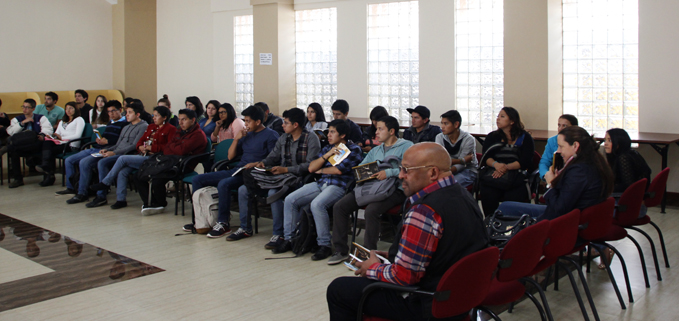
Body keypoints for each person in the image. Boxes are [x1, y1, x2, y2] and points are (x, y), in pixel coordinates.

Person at [326, 143, 489, 321]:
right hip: (461, 297)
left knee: (338, 289)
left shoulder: (425, 210)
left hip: (428, 303)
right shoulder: (464, 195)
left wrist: (372, 268)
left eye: (406, 170)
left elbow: (405, 277)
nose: (401, 175)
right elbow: (449, 247)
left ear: (432, 173)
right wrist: (395, 254)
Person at [273, 119, 364, 261]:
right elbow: (311, 168)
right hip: (321, 183)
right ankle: (290, 239)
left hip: (338, 186)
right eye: (329, 131)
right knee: (291, 199)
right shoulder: (328, 148)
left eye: (333, 132)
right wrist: (326, 156)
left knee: (317, 204)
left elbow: (338, 170)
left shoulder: (353, 149)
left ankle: (324, 245)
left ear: (343, 135)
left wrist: (321, 170)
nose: (329, 135)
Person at [230, 107, 321, 247]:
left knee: (274, 193)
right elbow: (273, 156)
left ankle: (278, 234)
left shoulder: (311, 138)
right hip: (279, 177)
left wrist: (286, 169)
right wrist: (261, 163)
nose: (282, 125)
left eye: (286, 123)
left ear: (295, 125)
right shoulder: (284, 137)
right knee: (243, 189)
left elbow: (310, 166)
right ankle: (245, 228)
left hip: (298, 179)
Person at [329, 116, 413, 265]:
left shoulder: (406, 146)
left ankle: (368, 255)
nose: (376, 132)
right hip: (372, 187)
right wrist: (369, 172)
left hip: (395, 189)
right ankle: (341, 250)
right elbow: (359, 170)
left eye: (380, 129)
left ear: (392, 131)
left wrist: (389, 172)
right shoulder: (376, 150)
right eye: (376, 129)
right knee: (340, 207)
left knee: (371, 211)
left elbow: (410, 169)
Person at [190, 105, 279, 238]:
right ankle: (201, 221)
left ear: (258, 122)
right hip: (238, 169)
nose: (246, 124)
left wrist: (256, 164)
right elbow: (230, 157)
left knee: (224, 184)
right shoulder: (246, 134)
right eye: (245, 121)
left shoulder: (271, 135)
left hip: (253, 173)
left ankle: (223, 222)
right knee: (197, 179)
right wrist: (236, 139)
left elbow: (274, 159)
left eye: (248, 121)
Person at [497, 126, 614, 221]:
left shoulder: (579, 171)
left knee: (505, 208)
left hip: (565, 224)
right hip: (574, 217)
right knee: (506, 206)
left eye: (561, 146)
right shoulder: (593, 162)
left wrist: (551, 183)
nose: (558, 151)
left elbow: (558, 209)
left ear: (575, 146)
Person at [89, 106, 177, 209]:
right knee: (123, 171)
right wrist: (140, 147)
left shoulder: (171, 129)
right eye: (153, 115)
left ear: (164, 117)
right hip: (142, 155)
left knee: (122, 159)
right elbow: (140, 141)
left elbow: (169, 148)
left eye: (157, 116)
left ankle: (106, 182)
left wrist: (152, 147)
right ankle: (121, 200)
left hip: (155, 159)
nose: (154, 118)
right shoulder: (151, 127)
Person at [67, 103, 148, 208]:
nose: (126, 115)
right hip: (115, 151)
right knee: (85, 162)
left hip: (125, 154)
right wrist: (107, 150)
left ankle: (101, 195)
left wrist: (114, 153)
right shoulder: (127, 126)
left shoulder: (143, 126)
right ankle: (81, 193)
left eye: (129, 112)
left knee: (102, 162)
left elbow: (134, 146)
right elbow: (118, 144)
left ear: (137, 114)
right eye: (126, 112)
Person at [135, 109, 207, 215]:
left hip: (183, 165)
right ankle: (150, 202)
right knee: (139, 174)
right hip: (170, 160)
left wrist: (173, 147)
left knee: (156, 177)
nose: (181, 123)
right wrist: (175, 147)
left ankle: (160, 203)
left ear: (193, 120)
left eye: (184, 120)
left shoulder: (198, 135)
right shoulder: (179, 131)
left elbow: (181, 151)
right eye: (179, 119)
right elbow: (167, 148)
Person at [55, 100, 128, 196]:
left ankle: (82, 193)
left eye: (113, 111)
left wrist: (108, 142)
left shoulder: (125, 124)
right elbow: (106, 136)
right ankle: (71, 187)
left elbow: (121, 142)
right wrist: (99, 140)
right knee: (69, 160)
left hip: (108, 150)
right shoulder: (111, 122)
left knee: (84, 163)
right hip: (97, 147)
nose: (111, 114)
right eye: (109, 112)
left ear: (120, 110)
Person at [479, 107, 535, 216]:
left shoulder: (525, 137)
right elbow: (486, 158)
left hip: (515, 173)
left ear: (512, 121)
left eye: (502, 116)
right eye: (498, 116)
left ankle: (511, 225)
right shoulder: (492, 136)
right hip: (494, 172)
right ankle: (490, 223)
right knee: (488, 192)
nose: (498, 119)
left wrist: (506, 168)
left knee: (514, 197)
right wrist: (497, 165)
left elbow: (525, 161)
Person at [6, 99, 54, 188]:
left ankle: (6, 149)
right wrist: (22, 123)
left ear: (33, 108)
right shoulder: (16, 119)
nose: (24, 109)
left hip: (37, 145)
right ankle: (18, 179)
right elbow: (10, 132)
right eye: (23, 107)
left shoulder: (41, 118)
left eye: (27, 107)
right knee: (14, 151)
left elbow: (48, 129)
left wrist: (42, 135)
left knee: (14, 147)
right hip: (23, 146)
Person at [604, 128, 652, 216]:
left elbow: (628, 186)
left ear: (619, 142)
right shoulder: (631, 153)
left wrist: (605, 188)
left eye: (609, 140)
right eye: (605, 140)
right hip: (633, 204)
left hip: (629, 207)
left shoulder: (623, 158)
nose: (605, 144)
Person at [36, 102, 85, 186]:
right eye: (66, 108)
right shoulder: (63, 121)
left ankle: (48, 174)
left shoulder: (79, 119)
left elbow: (77, 135)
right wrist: (52, 136)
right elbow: (57, 133)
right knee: (46, 143)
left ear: (76, 109)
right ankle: (46, 166)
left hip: (71, 145)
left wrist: (62, 137)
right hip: (60, 143)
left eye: (71, 108)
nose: (68, 110)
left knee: (48, 151)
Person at [435, 110, 478, 188]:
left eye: (446, 123)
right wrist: (462, 160)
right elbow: (440, 161)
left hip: (467, 170)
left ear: (456, 124)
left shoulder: (468, 139)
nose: (442, 127)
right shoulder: (439, 137)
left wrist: (446, 174)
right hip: (446, 169)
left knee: (446, 185)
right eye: (442, 123)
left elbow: (463, 165)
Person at [539, 114, 578, 179]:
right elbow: (544, 162)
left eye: (564, 126)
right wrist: (546, 175)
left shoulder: (578, 141)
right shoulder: (552, 141)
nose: (560, 128)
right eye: (559, 125)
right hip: (555, 177)